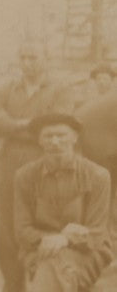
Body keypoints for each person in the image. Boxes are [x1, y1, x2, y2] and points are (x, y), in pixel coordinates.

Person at [0, 41, 75, 292]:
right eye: (23, 57)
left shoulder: (60, 89)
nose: (27, 63)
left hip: (45, 166)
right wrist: (28, 126)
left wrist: (12, 126)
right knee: (8, 226)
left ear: (46, 57)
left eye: (33, 57)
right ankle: (12, 285)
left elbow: (57, 124)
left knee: (44, 225)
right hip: (9, 166)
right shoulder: (7, 89)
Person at [14, 112, 112, 292]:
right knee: (55, 265)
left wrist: (65, 239)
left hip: (88, 252)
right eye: (48, 136)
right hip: (39, 248)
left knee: (54, 267)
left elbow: (97, 232)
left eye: (61, 135)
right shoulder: (25, 176)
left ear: (74, 138)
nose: (55, 142)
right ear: (39, 141)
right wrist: (48, 239)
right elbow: (22, 230)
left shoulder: (98, 176)